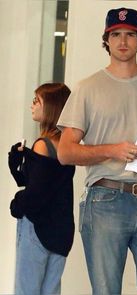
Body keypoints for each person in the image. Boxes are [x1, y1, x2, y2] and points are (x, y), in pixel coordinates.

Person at [57, 7, 137, 295]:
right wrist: (112, 150)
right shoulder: (87, 88)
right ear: (106, 40)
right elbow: (65, 152)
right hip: (105, 199)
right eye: (115, 35)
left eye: (130, 34)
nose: (123, 41)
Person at [8, 83, 75, 295]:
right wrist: (19, 166)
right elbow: (47, 183)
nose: (32, 105)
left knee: (26, 290)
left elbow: (35, 194)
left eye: (37, 100)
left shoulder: (42, 144)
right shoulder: (65, 147)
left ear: (51, 107)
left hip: (37, 229)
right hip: (60, 232)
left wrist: (17, 205)